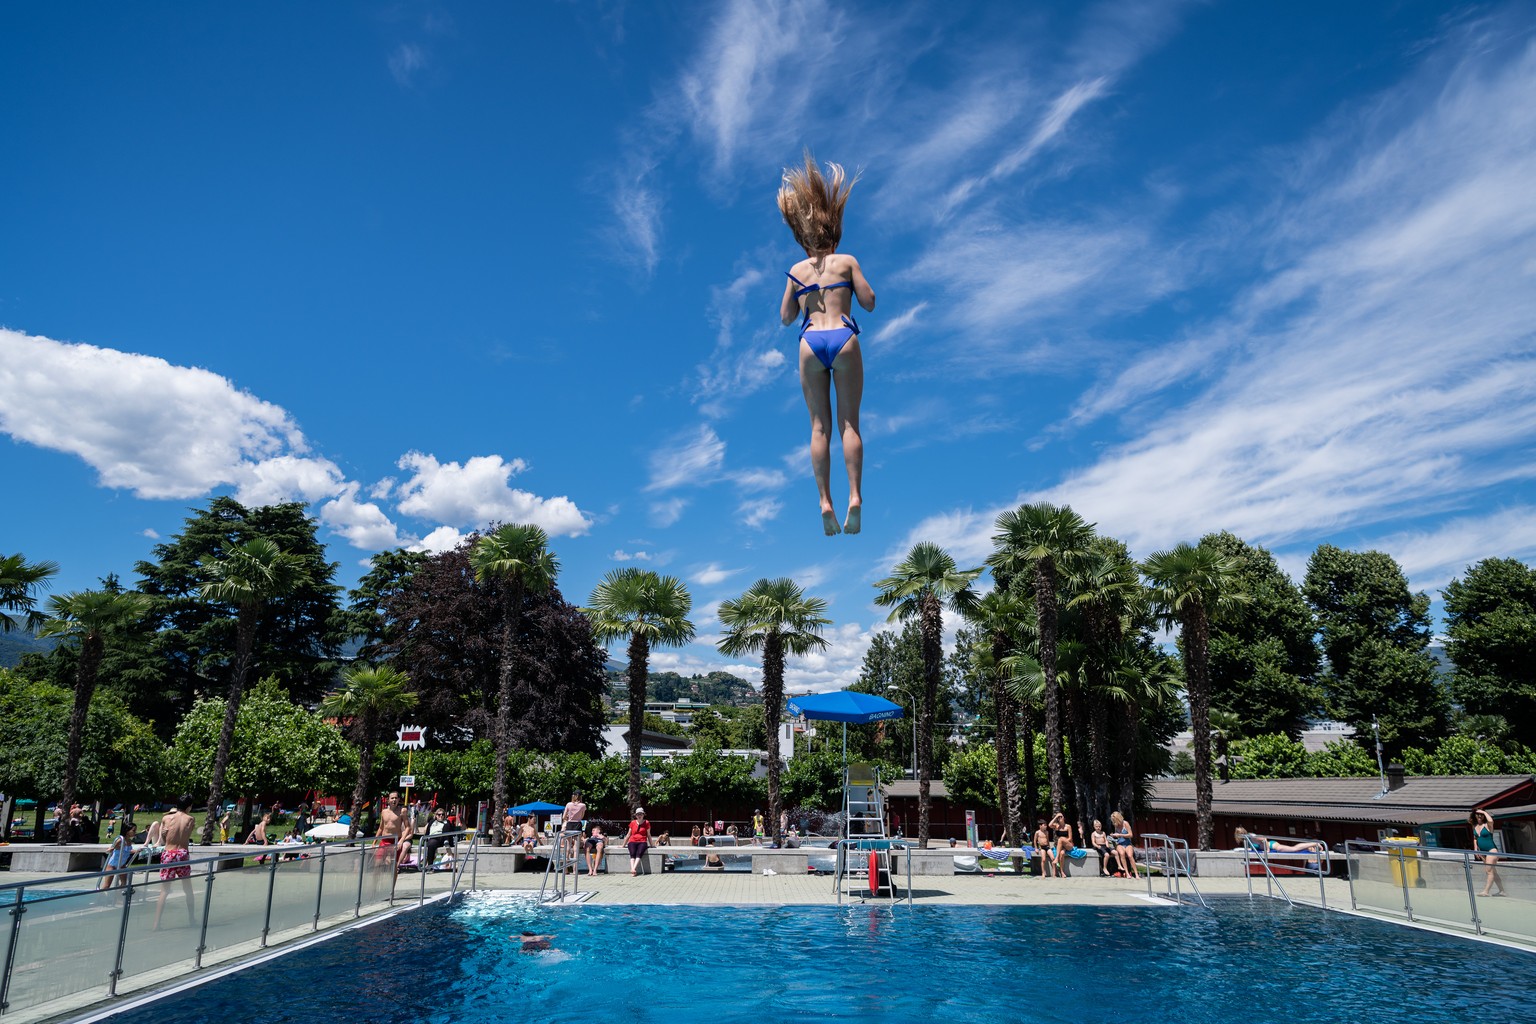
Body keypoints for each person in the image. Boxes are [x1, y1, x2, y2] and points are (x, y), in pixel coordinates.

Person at [777, 151, 877, 536]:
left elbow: (786, 318)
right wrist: (850, 285)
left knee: (819, 428)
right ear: (834, 230)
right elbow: (868, 302)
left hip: (810, 341)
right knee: (850, 424)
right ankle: (854, 495)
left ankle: (825, 502)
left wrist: (802, 292)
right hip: (844, 336)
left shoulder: (797, 271)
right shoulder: (847, 261)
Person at [153, 794, 196, 930]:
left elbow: (165, 837)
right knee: (188, 889)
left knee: (164, 891)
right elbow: (186, 835)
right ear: (189, 806)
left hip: (168, 853)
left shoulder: (166, 818)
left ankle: (156, 923)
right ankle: (191, 918)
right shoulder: (190, 819)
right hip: (182, 853)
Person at [1470, 810, 1505, 897]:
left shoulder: (1488, 825)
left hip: (1491, 850)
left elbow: (1491, 821)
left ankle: (1486, 891)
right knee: (1493, 872)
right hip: (1482, 851)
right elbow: (1475, 838)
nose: (1479, 816)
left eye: (1481, 815)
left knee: (1489, 871)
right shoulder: (1474, 826)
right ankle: (1502, 891)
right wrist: (1475, 849)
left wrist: (1483, 812)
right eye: (1477, 814)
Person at [376, 792, 413, 870]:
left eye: (396, 798)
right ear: (388, 800)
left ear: (399, 799)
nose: (394, 800)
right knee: (377, 865)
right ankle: (375, 881)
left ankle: (393, 880)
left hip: (396, 840)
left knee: (394, 868)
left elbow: (408, 827)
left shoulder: (402, 811)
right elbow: (381, 827)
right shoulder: (384, 812)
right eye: (392, 798)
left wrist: (401, 840)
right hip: (384, 840)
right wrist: (374, 841)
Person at [101, 820, 136, 890]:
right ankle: (98, 899)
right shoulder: (120, 839)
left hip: (122, 864)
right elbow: (113, 847)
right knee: (107, 885)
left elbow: (127, 851)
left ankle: (118, 898)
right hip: (112, 864)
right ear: (127, 831)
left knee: (124, 884)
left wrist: (137, 851)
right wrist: (111, 849)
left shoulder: (129, 841)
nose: (135, 832)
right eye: (133, 830)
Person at [625, 807, 652, 876]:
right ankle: (633, 870)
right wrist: (623, 845)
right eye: (638, 814)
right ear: (636, 815)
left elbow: (648, 835)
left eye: (641, 814)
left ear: (643, 815)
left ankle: (633, 869)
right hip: (632, 841)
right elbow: (628, 834)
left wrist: (652, 845)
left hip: (642, 841)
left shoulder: (647, 823)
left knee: (639, 853)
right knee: (632, 853)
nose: (639, 816)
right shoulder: (632, 823)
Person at [1109, 811, 1136, 877]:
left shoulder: (1125, 823)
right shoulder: (1116, 825)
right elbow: (1118, 836)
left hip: (1127, 842)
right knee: (1122, 854)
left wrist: (1120, 834)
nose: (1114, 822)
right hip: (1120, 843)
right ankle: (1126, 873)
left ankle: (1136, 873)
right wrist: (1114, 836)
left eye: (1115, 820)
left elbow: (1131, 835)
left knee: (1130, 856)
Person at [1049, 813, 1072, 877]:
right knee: (1062, 853)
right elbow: (1049, 825)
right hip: (1060, 846)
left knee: (1060, 839)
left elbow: (1070, 838)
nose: (1060, 818)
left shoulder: (1068, 826)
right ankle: (1062, 872)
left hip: (1068, 844)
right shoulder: (1056, 826)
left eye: (1061, 817)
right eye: (1058, 817)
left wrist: (1063, 841)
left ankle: (1056, 858)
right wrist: (1055, 817)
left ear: (1064, 817)